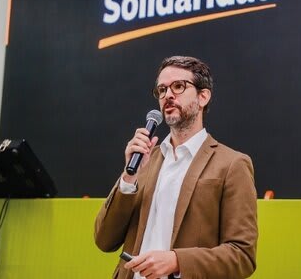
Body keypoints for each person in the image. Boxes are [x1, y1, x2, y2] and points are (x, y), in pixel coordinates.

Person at [94, 56, 257, 279]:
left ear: (203, 96)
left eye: (178, 86)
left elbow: (242, 255)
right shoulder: (144, 160)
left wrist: (177, 261)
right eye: (161, 90)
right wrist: (129, 178)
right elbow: (104, 240)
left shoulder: (232, 164)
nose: (168, 95)